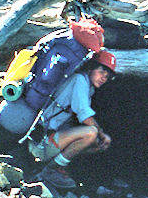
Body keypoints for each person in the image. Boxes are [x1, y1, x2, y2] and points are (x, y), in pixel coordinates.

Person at [36, 50, 116, 188]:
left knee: (96, 143)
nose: (104, 77)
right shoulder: (79, 80)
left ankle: (59, 167)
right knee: (91, 133)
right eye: (102, 71)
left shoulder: (88, 88)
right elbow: (84, 115)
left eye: (107, 76)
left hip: (47, 138)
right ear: (91, 67)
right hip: (40, 141)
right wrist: (102, 134)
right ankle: (50, 170)